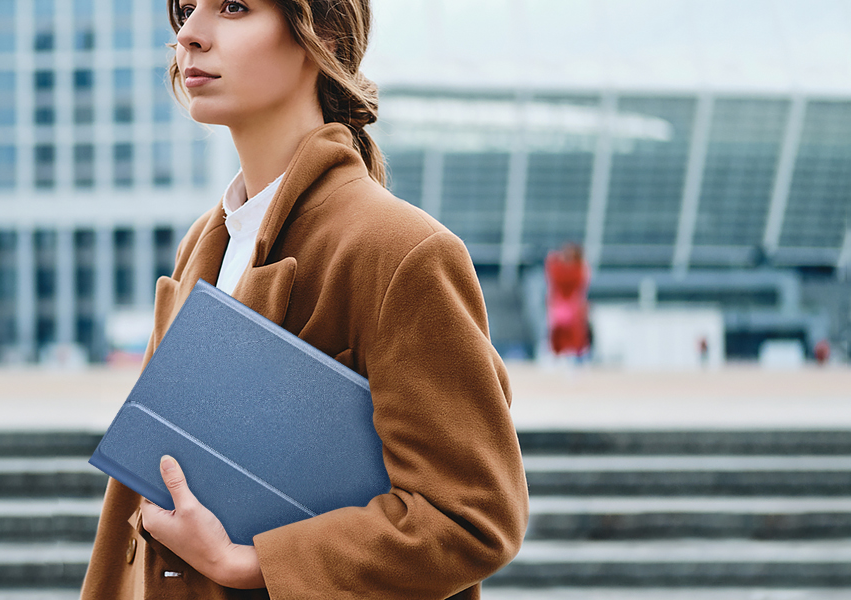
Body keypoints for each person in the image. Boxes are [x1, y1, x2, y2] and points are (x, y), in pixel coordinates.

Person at [79, 0, 528, 597]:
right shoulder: (205, 243)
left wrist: (254, 563)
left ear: (318, 33)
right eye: (187, 9)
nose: (188, 35)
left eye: (233, 7)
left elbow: (471, 517)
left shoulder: (401, 251)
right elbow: (131, 511)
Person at [545, 243, 590, 358]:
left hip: (572, 304)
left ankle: (577, 355)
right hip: (559, 303)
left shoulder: (578, 270)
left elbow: (577, 281)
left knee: (575, 333)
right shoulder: (559, 268)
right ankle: (556, 353)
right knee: (557, 333)